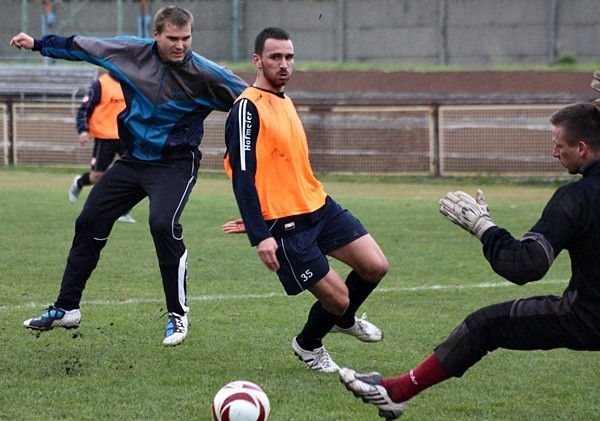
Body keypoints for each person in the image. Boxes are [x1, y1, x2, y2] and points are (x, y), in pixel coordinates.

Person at [339, 102, 600, 419]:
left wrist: (483, 227)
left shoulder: (576, 199)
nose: (554, 154)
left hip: (589, 317)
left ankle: (396, 392)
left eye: (559, 146)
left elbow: (526, 264)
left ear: (582, 149)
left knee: (484, 325)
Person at [11, 5, 247, 346]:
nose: (181, 45)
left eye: (186, 38)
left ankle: (177, 316)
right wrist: (37, 43)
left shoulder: (206, 74)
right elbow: (83, 45)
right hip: (133, 159)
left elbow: (253, 102)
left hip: (175, 164)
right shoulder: (131, 53)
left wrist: (274, 113)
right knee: (89, 219)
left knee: (163, 225)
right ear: (156, 35)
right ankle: (66, 309)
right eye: (173, 38)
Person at [221, 27, 388, 372]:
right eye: (275, 57)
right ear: (257, 60)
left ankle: (344, 319)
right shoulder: (246, 109)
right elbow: (242, 173)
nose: (283, 64)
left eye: (289, 57)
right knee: (339, 297)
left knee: (374, 266)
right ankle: (308, 345)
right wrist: (260, 232)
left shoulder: (284, 100)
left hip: (319, 207)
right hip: (286, 226)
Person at [69, 69, 136, 224]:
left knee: (132, 174)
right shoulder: (101, 84)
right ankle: (79, 182)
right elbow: (84, 109)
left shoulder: (132, 82)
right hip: (104, 137)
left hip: (126, 137)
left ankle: (123, 211)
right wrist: (83, 130)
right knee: (98, 176)